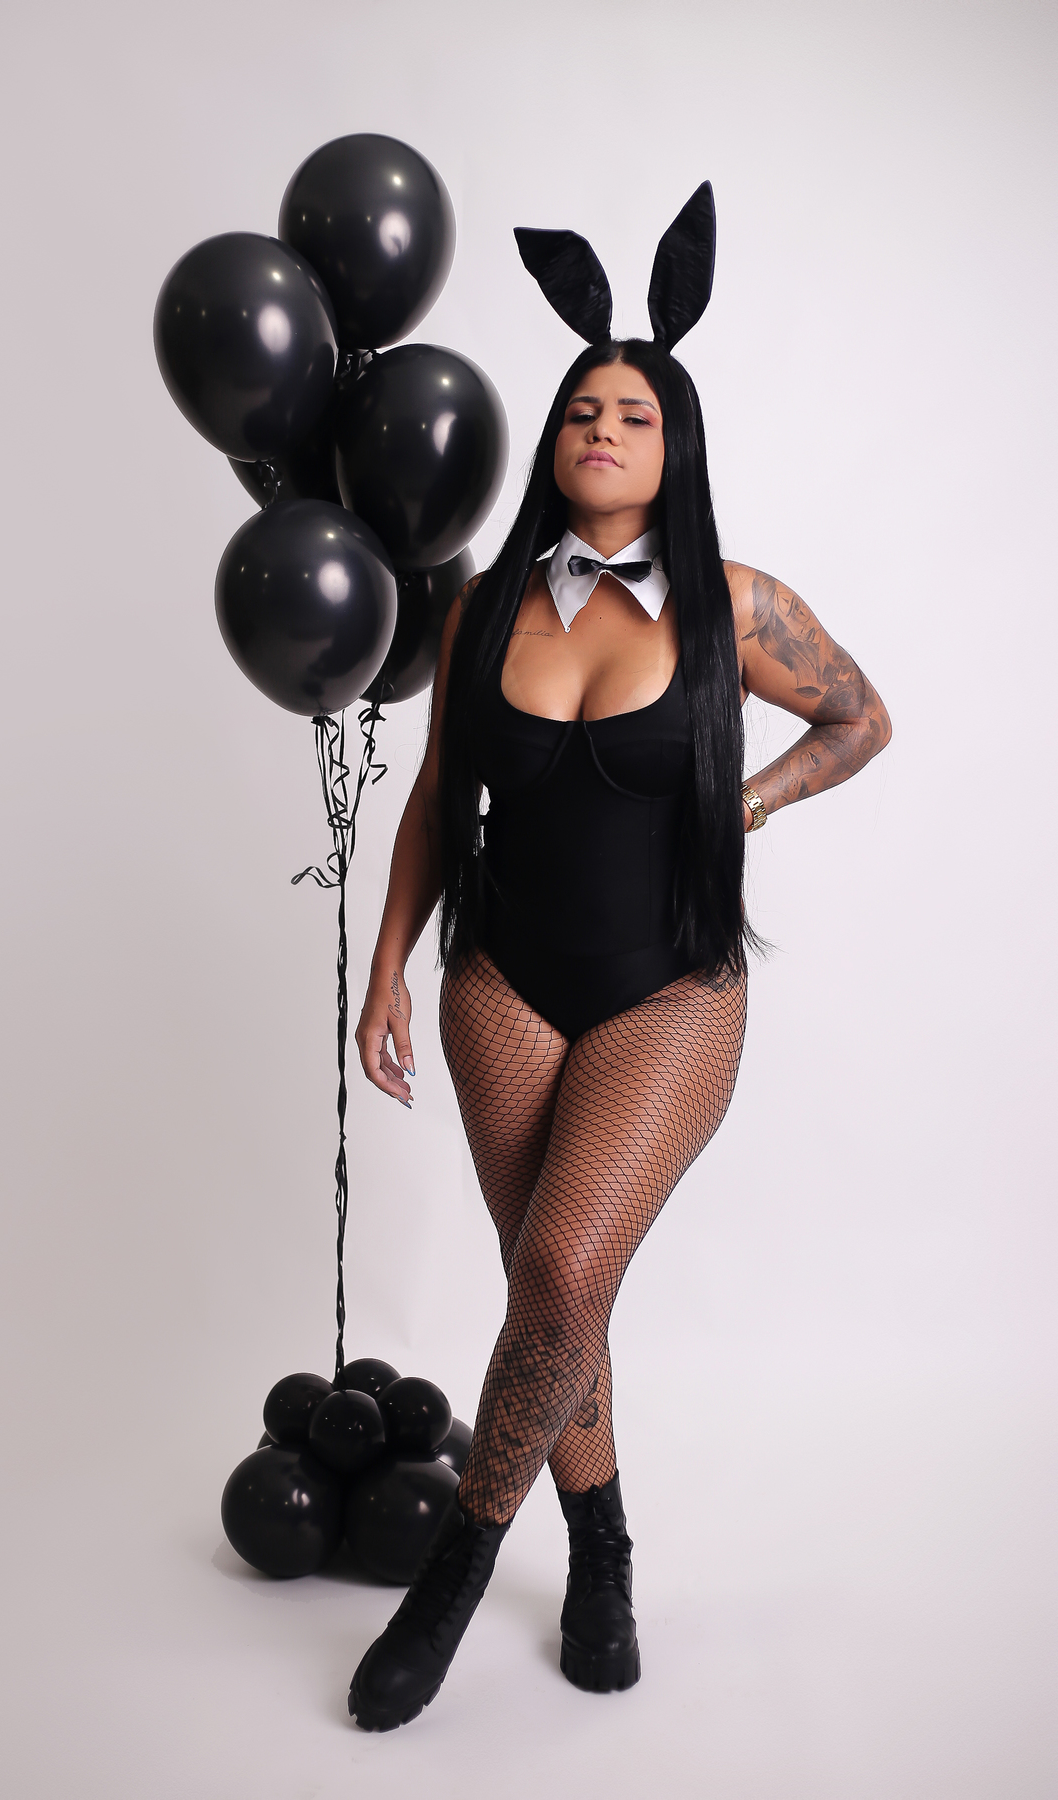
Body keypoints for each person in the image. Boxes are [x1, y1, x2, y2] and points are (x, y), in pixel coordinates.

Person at [347, 194, 891, 1732]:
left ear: (676, 446)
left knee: (568, 1269)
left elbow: (862, 718)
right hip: (499, 983)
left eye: (634, 414)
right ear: (556, 439)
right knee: (552, 1284)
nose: (601, 428)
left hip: (671, 990)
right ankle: (601, 1549)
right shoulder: (483, 607)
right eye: (582, 409)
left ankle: (457, 1568)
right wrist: (387, 971)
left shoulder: (739, 604)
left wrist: (750, 804)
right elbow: (435, 798)